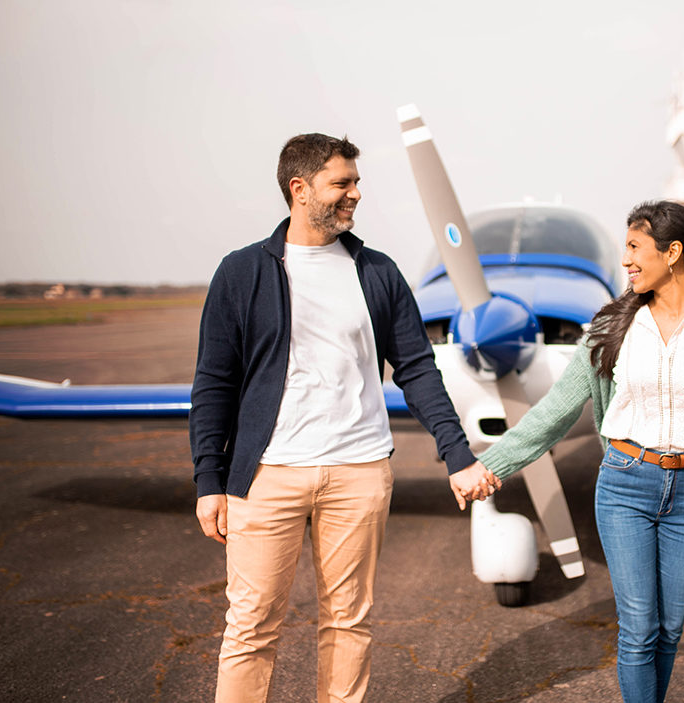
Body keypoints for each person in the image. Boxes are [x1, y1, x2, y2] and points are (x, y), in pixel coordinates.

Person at [189, 133, 497, 703]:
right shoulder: (241, 272)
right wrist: (209, 480)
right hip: (266, 475)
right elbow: (214, 382)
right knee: (251, 627)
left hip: (359, 472)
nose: (355, 194)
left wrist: (457, 454)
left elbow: (417, 369)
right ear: (299, 189)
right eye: (342, 183)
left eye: (357, 182)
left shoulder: (377, 272)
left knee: (348, 622)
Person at [463, 200, 684, 702]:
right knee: (639, 627)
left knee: (669, 628)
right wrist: (491, 466)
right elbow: (554, 411)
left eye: (634, 248)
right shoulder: (610, 327)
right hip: (625, 485)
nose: (624, 260)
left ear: (672, 253)